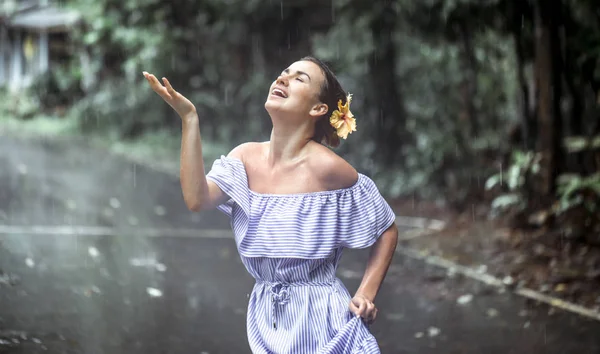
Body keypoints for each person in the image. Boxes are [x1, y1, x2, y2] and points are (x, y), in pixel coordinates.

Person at [142, 56, 398, 354]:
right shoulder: (244, 158)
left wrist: (366, 293)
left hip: (324, 323)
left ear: (318, 109)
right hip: (267, 318)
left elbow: (385, 228)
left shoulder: (328, 169)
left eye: (299, 78)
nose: (283, 79)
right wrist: (189, 118)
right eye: (283, 73)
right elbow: (198, 198)